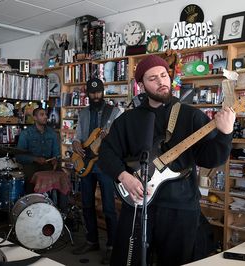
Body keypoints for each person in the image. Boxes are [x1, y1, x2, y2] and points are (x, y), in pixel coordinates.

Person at [98, 55, 235, 266]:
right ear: (141, 85)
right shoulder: (128, 120)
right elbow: (106, 154)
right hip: (137, 202)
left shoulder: (192, 116)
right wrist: (124, 177)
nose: (161, 81)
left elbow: (211, 159)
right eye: (153, 78)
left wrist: (225, 133)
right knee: (129, 260)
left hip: (180, 206)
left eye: (164, 75)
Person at [71, 78, 121, 264]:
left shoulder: (114, 112)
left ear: (103, 91)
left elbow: (120, 137)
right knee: (86, 204)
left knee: (109, 207)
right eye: (92, 93)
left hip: (105, 165)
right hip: (86, 164)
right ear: (87, 94)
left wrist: (110, 137)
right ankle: (91, 240)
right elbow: (78, 135)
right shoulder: (83, 112)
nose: (95, 95)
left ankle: (112, 246)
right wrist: (75, 143)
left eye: (98, 92)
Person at [16, 107, 60, 194]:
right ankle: (33, 202)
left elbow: (56, 153)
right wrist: (35, 159)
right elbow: (19, 156)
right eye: (42, 115)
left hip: (48, 164)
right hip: (31, 165)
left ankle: (57, 205)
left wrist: (55, 160)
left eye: (46, 115)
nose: (45, 117)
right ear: (35, 118)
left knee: (61, 177)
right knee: (31, 181)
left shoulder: (52, 133)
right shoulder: (26, 133)